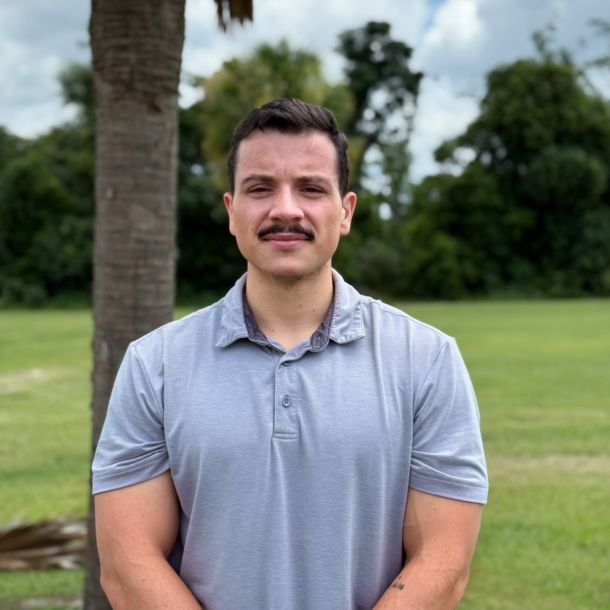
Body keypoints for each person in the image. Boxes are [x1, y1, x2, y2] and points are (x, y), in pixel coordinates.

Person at [92, 98, 488, 610]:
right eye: (260, 188)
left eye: (311, 188)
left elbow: (443, 562)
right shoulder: (154, 365)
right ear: (232, 211)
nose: (285, 209)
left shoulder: (427, 359)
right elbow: (129, 567)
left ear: (345, 212)